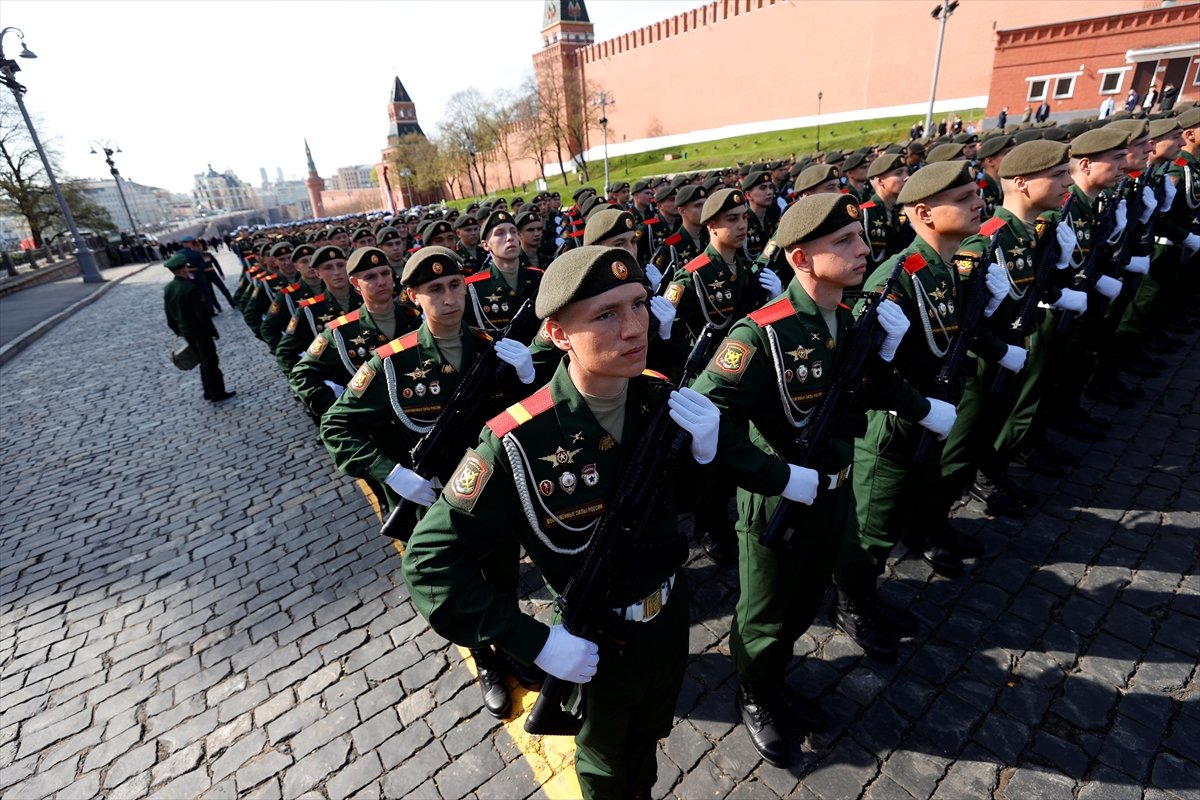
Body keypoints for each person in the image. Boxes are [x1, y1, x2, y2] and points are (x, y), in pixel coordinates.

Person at [403, 245, 719, 799]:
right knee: (602, 765)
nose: (633, 327)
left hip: (669, 616)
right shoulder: (517, 439)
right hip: (594, 639)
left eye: (638, 304)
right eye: (606, 314)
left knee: (647, 741)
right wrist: (533, 640)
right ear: (557, 333)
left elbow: (679, 510)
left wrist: (704, 455)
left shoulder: (659, 401)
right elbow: (430, 563)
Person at [691, 193, 946, 765]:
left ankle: (776, 677)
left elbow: (867, 384)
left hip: (833, 490)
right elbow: (709, 417)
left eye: (859, 237)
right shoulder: (759, 335)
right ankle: (755, 690)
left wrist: (918, 403)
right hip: (777, 500)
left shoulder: (847, 318)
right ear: (802, 258)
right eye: (845, 243)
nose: (863, 249)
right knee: (764, 613)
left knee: (806, 599)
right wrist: (776, 475)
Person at [832, 162, 1012, 661]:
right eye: (963, 196)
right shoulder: (899, 275)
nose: (979, 202)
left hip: (931, 416)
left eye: (976, 192)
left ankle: (866, 590)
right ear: (924, 213)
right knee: (873, 526)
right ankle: (851, 601)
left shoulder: (950, 268)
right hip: (893, 427)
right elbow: (863, 371)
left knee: (895, 516)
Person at [163, 252, 234, 402]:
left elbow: (169, 315)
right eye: (186, 268)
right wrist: (212, 331)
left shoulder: (169, 288)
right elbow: (201, 315)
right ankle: (216, 392)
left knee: (203, 360)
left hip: (186, 331)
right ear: (183, 269)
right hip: (200, 332)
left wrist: (178, 330)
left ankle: (208, 391)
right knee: (210, 361)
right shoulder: (190, 288)